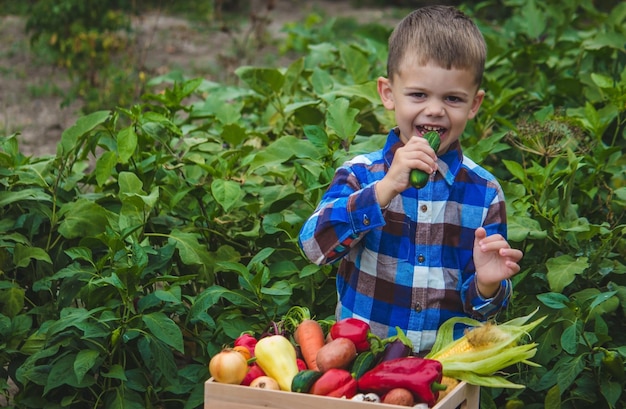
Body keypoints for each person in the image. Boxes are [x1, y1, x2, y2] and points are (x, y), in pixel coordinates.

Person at [298, 5, 523, 353]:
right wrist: (384, 190)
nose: (434, 109)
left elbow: (487, 309)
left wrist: (488, 284)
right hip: (362, 362)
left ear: (474, 104)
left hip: (444, 371)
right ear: (388, 93)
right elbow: (314, 248)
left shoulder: (484, 193)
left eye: (452, 98)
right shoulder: (362, 174)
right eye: (418, 94)